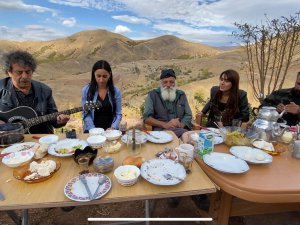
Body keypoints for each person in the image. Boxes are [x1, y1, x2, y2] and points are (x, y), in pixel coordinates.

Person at [0, 50, 69, 134]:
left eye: (28, 72)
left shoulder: (45, 90)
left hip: (41, 137)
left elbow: (54, 119)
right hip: (10, 139)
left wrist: (60, 121)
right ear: (9, 72)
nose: (25, 76)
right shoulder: (1, 88)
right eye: (19, 72)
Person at [143, 68, 192, 138]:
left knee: (187, 138)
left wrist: (181, 124)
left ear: (175, 83)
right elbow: (146, 118)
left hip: (180, 130)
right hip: (161, 131)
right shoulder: (153, 95)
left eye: (171, 82)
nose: (168, 85)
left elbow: (188, 114)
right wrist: (165, 124)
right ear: (161, 83)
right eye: (165, 82)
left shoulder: (181, 95)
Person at [81, 60, 122, 132]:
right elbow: (86, 114)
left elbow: (118, 114)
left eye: (105, 76)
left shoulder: (116, 91)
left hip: (111, 132)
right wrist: (93, 129)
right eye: (98, 76)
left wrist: (113, 128)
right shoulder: (87, 91)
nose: (101, 80)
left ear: (109, 74)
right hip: (92, 132)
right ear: (94, 75)